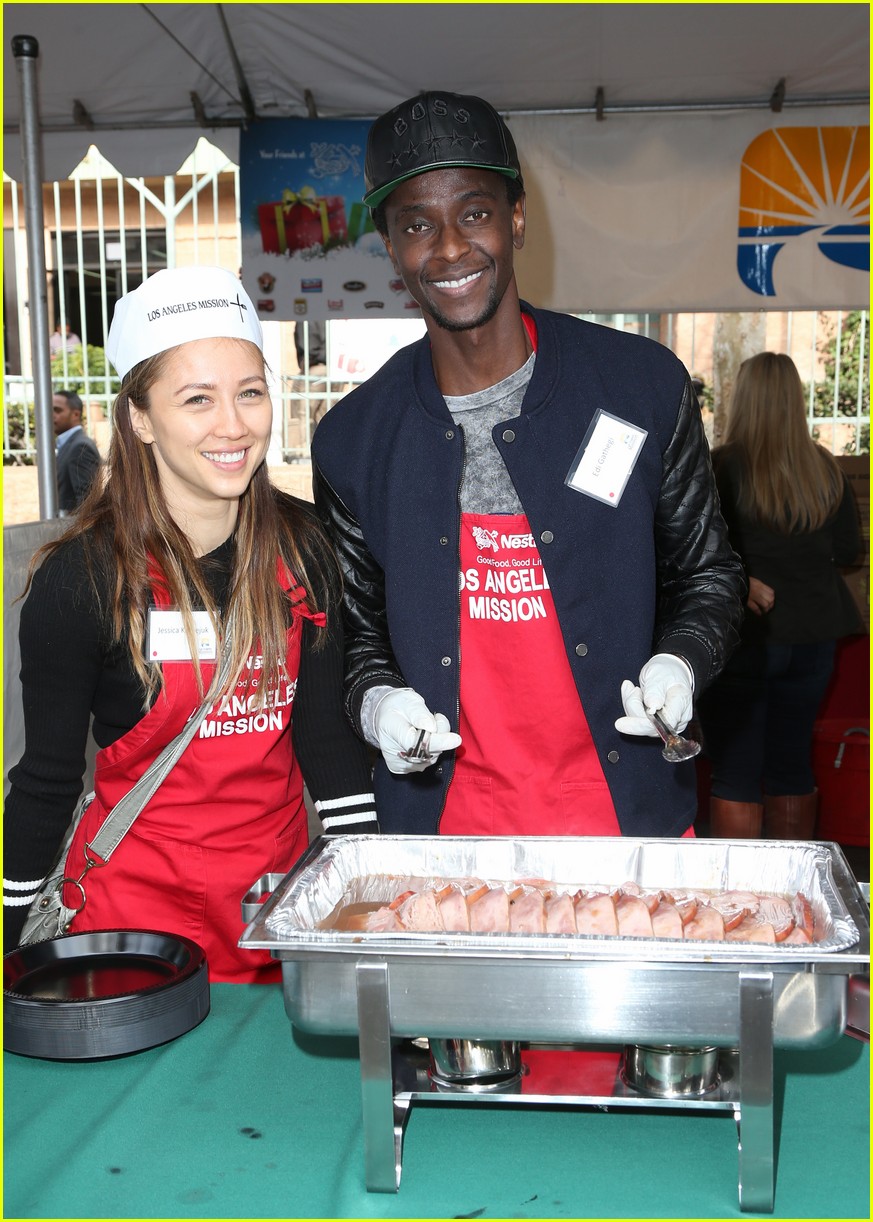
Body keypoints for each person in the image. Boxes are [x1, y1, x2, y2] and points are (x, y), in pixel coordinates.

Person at [310, 90, 746, 840]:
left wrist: (680, 663)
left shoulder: (639, 387)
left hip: (624, 824)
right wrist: (377, 704)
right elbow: (357, 636)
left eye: (473, 213)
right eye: (416, 225)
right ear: (389, 247)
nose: (448, 248)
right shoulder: (353, 438)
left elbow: (708, 576)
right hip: (445, 842)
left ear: (515, 219)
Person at [3, 266, 378, 981]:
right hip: (129, 930)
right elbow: (47, 781)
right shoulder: (82, 579)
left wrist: (368, 899)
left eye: (249, 393)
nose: (233, 425)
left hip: (273, 918)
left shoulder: (306, 552)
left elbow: (326, 741)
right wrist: (7, 939)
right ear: (141, 418)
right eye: (196, 399)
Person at [696, 352, 863, 839]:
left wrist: (747, 577)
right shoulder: (825, 469)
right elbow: (849, 550)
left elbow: (692, 546)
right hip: (814, 635)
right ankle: (794, 899)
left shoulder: (721, 467)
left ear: (742, 400)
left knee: (736, 771)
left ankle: (738, 903)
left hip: (744, 638)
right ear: (796, 401)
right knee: (791, 765)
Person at [52, 388, 102, 512]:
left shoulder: (80, 447)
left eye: (57, 410)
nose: (51, 415)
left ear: (75, 414)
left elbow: (87, 501)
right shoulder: (69, 444)